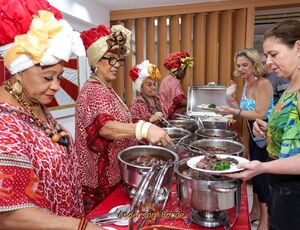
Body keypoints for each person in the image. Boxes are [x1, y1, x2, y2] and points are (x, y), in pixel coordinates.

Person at [0, 2, 102, 229]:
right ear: (18, 73)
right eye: (48, 78)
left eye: (59, 76)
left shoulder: (34, 104)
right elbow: (9, 216)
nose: (56, 86)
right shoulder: (4, 125)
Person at [76, 25, 172, 215]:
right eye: (110, 58)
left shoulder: (106, 88)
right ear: (96, 61)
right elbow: (105, 128)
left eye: (119, 59)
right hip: (98, 182)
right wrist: (144, 128)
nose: (116, 64)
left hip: (115, 175)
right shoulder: (94, 90)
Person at [224, 19, 300, 230]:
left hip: (293, 190)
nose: (267, 62)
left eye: (273, 54)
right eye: (266, 56)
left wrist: (263, 167)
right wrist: (270, 130)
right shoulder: (291, 86)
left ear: (298, 48)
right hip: (282, 182)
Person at [219, 48, 274, 230]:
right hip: (253, 135)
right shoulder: (246, 84)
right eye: (239, 65)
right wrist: (230, 97)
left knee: (262, 179)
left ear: (254, 64)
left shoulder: (263, 83)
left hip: (265, 136)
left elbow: (260, 113)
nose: (241, 69)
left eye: (245, 65)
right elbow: (244, 111)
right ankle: (255, 211)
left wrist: (232, 111)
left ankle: (265, 222)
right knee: (255, 178)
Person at [129, 60, 166, 126]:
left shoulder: (157, 99)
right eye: (149, 85)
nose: (153, 87)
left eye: (154, 84)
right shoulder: (137, 103)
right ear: (141, 88)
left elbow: (165, 116)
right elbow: (134, 126)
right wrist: (152, 119)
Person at [158, 52, 193, 119]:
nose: (185, 73)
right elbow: (181, 102)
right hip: (168, 118)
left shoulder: (167, 79)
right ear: (176, 70)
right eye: (184, 70)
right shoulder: (174, 81)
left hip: (164, 115)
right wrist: (196, 102)